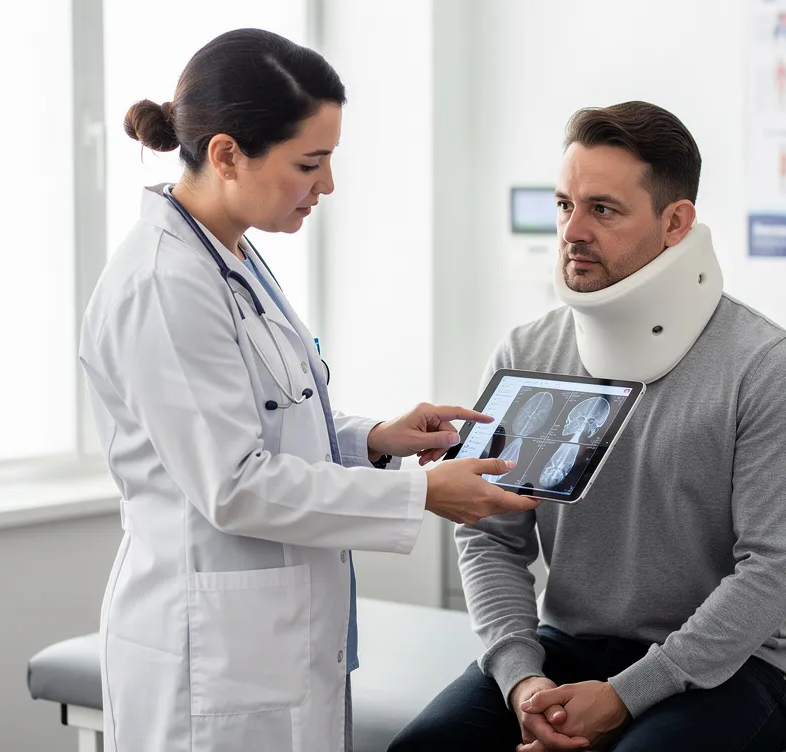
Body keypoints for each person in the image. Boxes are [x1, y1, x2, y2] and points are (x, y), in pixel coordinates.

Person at [78, 28, 537, 752]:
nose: (327, 186)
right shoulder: (166, 283)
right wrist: (420, 493)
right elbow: (234, 486)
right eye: (309, 163)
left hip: (269, 643)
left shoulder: (232, 257)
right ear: (227, 155)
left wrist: (373, 440)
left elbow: (272, 419)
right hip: (210, 658)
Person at [389, 101, 786, 751]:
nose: (572, 231)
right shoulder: (526, 353)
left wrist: (626, 696)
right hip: (566, 649)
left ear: (675, 223)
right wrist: (522, 679)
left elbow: (772, 571)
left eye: (603, 209)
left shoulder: (763, 365)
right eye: (564, 205)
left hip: (732, 669)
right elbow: (490, 538)